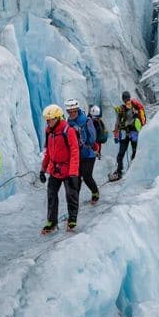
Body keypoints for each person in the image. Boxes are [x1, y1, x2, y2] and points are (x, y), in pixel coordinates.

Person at [39, 103, 80, 233]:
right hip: (55, 169)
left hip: (68, 169)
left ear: (56, 118)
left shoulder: (68, 131)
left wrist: (73, 173)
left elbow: (74, 151)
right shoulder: (50, 132)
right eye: (46, 120)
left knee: (71, 195)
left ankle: (72, 219)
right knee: (51, 194)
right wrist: (43, 169)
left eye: (49, 120)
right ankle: (51, 221)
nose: (47, 122)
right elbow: (48, 152)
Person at [66, 99, 100, 205]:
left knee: (86, 176)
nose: (72, 113)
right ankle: (75, 202)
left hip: (89, 154)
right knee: (77, 178)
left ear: (77, 110)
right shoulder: (69, 123)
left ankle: (95, 192)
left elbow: (92, 137)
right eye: (70, 111)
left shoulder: (86, 120)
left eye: (74, 111)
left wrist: (85, 144)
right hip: (77, 155)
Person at [111, 90, 146, 181]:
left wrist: (116, 135)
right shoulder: (135, 107)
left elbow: (117, 123)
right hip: (134, 133)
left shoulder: (121, 109)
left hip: (125, 134)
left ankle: (119, 171)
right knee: (134, 152)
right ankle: (133, 170)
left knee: (121, 154)